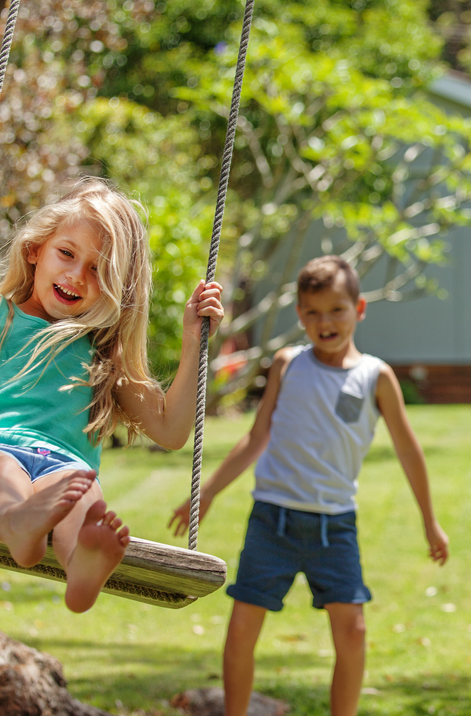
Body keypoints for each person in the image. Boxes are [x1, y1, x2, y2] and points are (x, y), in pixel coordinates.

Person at [0, 179, 223, 613]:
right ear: (34, 249)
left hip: (63, 465)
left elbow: (171, 431)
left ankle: (80, 567)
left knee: (80, 493)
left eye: (98, 270)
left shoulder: (103, 354)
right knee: (2, 472)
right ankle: (15, 523)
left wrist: (194, 341)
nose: (76, 276)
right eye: (66, 253)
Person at [169, 255, 449, 716]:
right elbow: (256, 437)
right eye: (313, 312)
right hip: (272, 521)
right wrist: (208, 492)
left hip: (334, 527)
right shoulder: (286, 364)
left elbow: (408, 450)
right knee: (241, 628)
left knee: (353, 631)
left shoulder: (376, 377)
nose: (325, 322)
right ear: (300, 315)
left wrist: (430, 523)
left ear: (359, 310)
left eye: (337, 310)